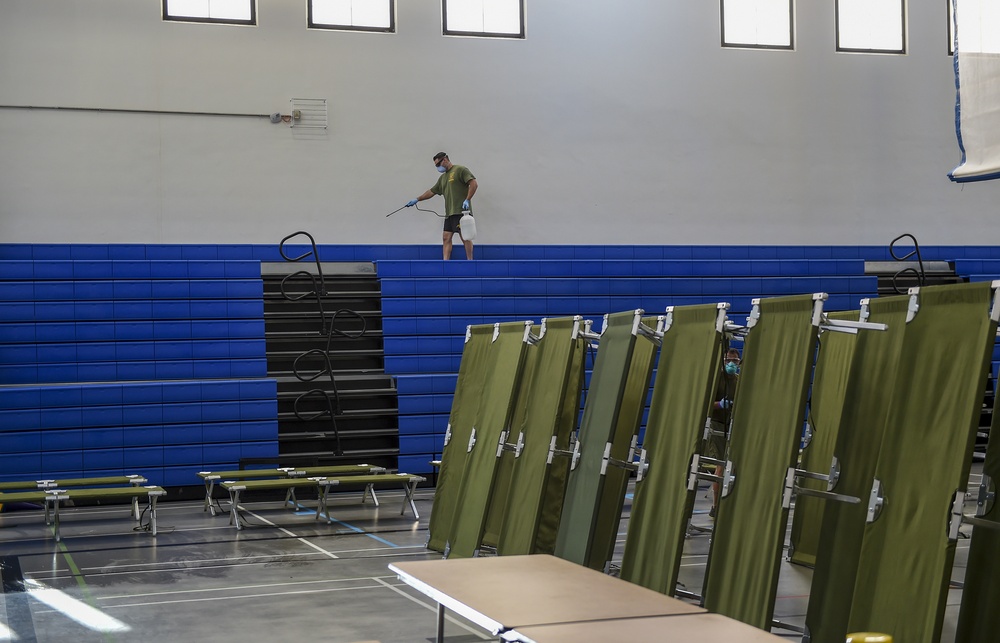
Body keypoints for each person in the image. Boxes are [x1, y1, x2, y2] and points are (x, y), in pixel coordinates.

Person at [404, 152, 478, 260]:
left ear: (445, 160)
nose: (438, 167)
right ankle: (445, 262)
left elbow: (474, 183)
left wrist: (467, 199)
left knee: (465, 237)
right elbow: (432, 191)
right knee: (446, 237)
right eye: (436, 166)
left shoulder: (460, 170)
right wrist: (417, 199)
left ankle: (470, 260)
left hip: (461, 211)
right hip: (449, 213)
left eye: (438, 164)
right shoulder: (443, 178)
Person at [706, 347, 740, 518]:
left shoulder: (739, 381)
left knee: (733, 465)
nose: (731, 364)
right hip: (716, 425)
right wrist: (719, 404)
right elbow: (704, 402)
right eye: (728, 361)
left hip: (733, 424)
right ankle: (716, 505)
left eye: (735, 361)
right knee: (721, 465)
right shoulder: (716, 379)